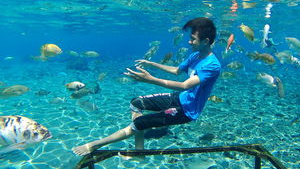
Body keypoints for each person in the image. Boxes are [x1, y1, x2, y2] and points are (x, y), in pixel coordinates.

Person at [72, 17, 221, 156]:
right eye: (190, 38)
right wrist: (151, 63)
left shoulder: (212, 65)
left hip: (187, 110)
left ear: (206, 41)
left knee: (138, 123)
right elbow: (176, 71)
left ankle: (95, 145)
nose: (189, 42)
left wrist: (150, 79)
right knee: (136, 103)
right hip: (181, 98)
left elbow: (183, 85)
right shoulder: (195, 56)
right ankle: (139, 151)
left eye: (193, 39)